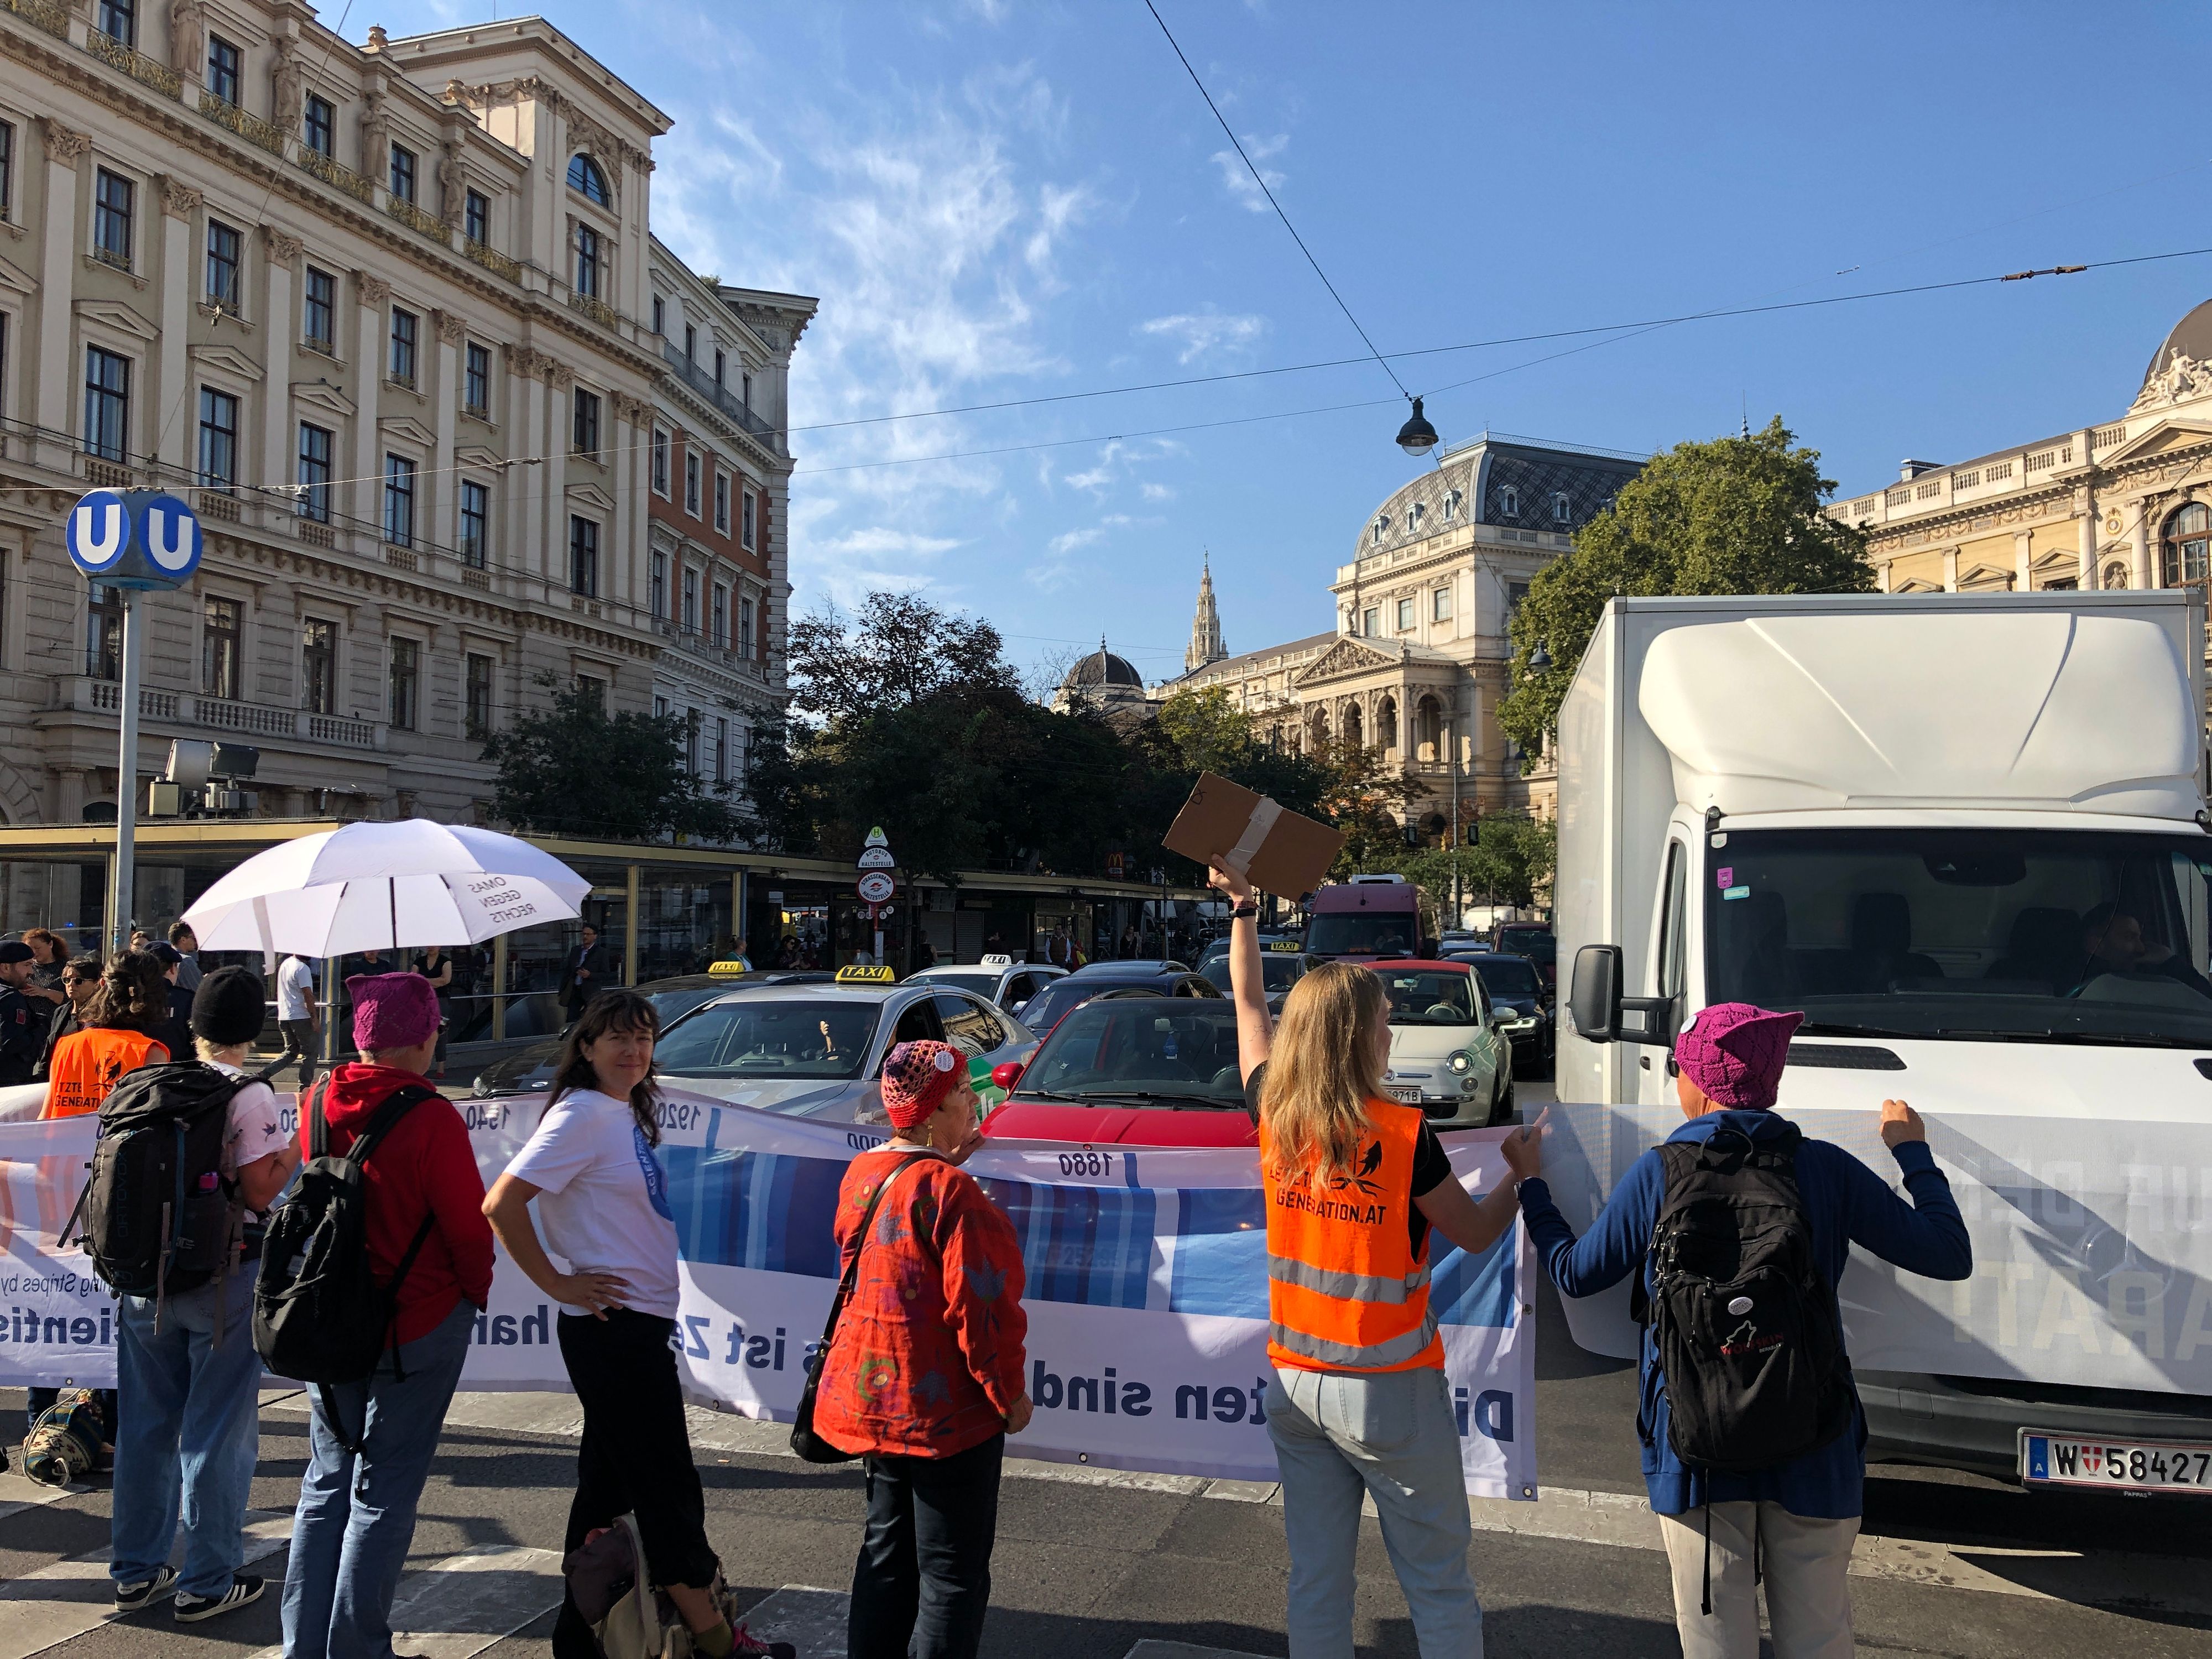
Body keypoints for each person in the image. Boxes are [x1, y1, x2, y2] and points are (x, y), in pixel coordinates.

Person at [1513, 1003, 1973, 1659]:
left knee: (1715, 1646)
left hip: (1696, 1448)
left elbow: (1574, 1274)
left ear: (1694, 1085)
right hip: (1814, 1442)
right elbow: (1947, 1254)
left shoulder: (1659, 1172)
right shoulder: (1824, 1168)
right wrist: (1912, 1151)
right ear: (1772, 1084)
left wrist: (1533, 1185)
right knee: (1818, 1640)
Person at [1209, 858, 1537, 1659]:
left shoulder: (1275, 1112)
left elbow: (1249, 1005)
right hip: (1386, 1386)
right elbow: (1475, 1232)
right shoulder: (1400, 1135)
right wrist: (1521, 1176)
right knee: (1438, 1583)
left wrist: (1246, 910)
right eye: (1387, 1018)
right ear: (1359, 1035)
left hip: (1293, 1381)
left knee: (1317, 1581)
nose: (1394, 1030)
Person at [483, 992, 777, 1659]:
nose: (634, 1051)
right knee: (666, 1489)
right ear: (586, 1047)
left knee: (607, 1492)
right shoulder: (584, 1114)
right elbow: (501, 1203)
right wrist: (557, 1282)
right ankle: (715, 1638)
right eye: (618, 1038)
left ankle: (578, 1641)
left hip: (632, 1328)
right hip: (612, 1330)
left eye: (644, 1038)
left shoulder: (618, 1114)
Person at [281, 972, 496, 1659]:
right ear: (427, 1037)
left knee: (326, 1483)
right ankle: (359, 1648)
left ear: (359, 1037)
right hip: (416, 1320)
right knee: (384, 1493)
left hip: (328, 1317)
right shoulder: (431, 1116)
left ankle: (303, 1646)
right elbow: (468, 1228)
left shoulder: (316, 1100)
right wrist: (475, 1294)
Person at [816, 1040, 1031, 1659]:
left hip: (872, 1397)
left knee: (885, 1557)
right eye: (964, 1094)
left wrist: (944, 1160)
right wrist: (1008, 1395)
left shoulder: (865, 1172)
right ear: (934, 1112)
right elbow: (982, 1311)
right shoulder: (953, 1195)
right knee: (951, 1575)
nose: (974, 1103)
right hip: (944, 1414)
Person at [110, 967, 298, 1623]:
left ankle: (136, 1570)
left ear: (194, 1027)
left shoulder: (143, 1083)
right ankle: (207, 1580)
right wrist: (293, 1146)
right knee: (217, 1433)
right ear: (254, 1030)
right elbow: (257, 1191)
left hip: (140, 1281)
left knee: (144, 1426)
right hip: (222, 1277)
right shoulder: (249, 1094)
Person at [45, 950, 172, 1119]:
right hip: (114, 1144)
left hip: (61, 1144)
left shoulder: (66, 1045)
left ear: (103, 984)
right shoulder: (150, 1052)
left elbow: (45, 1117)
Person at [2073, 904, 2212, 998]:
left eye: (2139, 938)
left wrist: (2171, 961)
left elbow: (2205, 1002)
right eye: (2129, 938)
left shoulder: (2150, 979)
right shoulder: (2066, 983)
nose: (2141, 948)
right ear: (2094, 944)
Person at [34, 954, 101, 1083]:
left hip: (89, 1080)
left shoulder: (103, 1014)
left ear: (96, 984)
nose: (71, 985)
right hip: (60, 1079)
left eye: (78, 981)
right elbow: (50, 1049)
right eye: (67, 980)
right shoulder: (61, 1012)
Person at [273, 953, 320, 1093]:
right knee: (310, 1053)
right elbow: (308, 995)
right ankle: (304, 1087)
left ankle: (264, 1073)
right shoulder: (302, 968)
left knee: (291, 1052)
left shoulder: (285, 964)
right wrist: (314, 1019)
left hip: (284, 1016)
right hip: (300, 1017)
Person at [145, 943, 198, 1065]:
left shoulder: (130, 999)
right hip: (177, 1073)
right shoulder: (186, 999)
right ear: (172, 969)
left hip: (134, 1075)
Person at [0, 942, 44, 1087]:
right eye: (27, 965)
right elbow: (12, 1042)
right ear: (6, 967)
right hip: (8, 1082)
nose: (31, 971)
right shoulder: (10, 997)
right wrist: (40, 1030)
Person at [412, 946, 453, 1078]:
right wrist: (434, 982)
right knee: (421, 1031)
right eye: (428, 945)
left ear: (440, 946)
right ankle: (420, 1067)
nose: (430, 947)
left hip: (440, 1000)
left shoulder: (445, 961)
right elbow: (414, 980)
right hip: (422, 1000)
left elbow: (446, 980)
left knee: (440, 1032)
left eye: (434, 944)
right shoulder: (419, 961)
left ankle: (440, 1068)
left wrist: (423, 981)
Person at [561, 925, 606, 1026]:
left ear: (595, 936)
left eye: (588, 934)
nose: (585, 937)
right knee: (571, 1018)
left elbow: (606, 974)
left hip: (591, 992)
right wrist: (563, 988)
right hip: (575, 990)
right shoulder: (575, 950)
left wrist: (590, 975)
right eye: (584, 934)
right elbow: (568, 970)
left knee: (589, 1019)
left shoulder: (601, 953)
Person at [167, 922, 204, 992]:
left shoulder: (166, 957)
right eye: (194, 938)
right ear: (183, 940)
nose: (196, 942)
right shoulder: (186, 962)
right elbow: (199, 992)